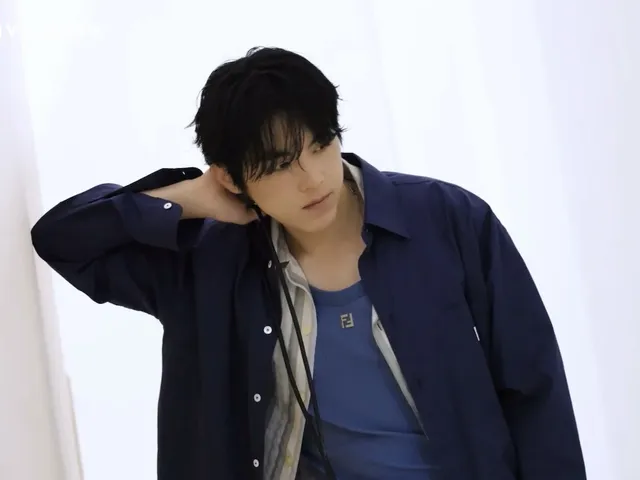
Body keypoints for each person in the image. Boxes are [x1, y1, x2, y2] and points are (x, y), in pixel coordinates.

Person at [31, 47, 587, 480]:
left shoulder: (447, 218)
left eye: (320, 145)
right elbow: (63, 239)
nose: (313, 178)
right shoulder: (209, 262)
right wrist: (188, 197)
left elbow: (533, 386)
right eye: (278, 165)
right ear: (230, 178)